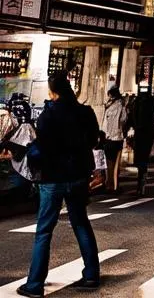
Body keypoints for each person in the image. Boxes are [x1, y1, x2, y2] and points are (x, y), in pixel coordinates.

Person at [18, 70, 101, 297]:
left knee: (44, 230)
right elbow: (94, 139)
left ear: (52, 92)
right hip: (78, 176)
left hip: (53, 178)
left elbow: (42, 146)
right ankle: (92, 274)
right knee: (81, 222)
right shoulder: (85, 112)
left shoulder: (48, 115)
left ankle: (35, 284)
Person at [129, 90, 154, 197]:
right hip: (145, 133)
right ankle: (141, 184)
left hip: (142, 133)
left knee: (141, 160)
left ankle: (141, 185)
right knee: (142, 160)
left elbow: (132, 117)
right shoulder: (149, 101)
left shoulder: (137, 101)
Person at [102, 86, 127, 193]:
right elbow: (124, 120)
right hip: (118, 137)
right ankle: (115, 186)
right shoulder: (122, 106)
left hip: (108, 138)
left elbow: (104, 124)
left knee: (109, 163)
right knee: (116, 163)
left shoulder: (107, 107)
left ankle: (109, 185)